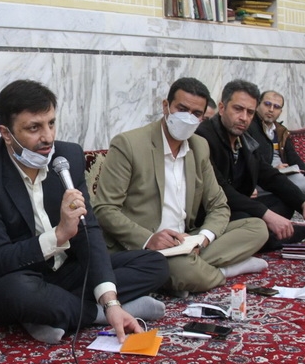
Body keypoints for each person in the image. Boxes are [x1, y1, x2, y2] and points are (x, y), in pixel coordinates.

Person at [0, 80, 170, 344]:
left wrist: (110, 299)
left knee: (155, 263)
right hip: (11, 277)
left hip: (62, 272)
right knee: (21, 292)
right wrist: (58, 236)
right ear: (6, 133)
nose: (48, 137)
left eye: (51, 123)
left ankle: (49, 313)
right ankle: (94, 314)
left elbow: (89, 229)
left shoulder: (67, 157)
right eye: (34, 128)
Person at [94, 77, 269, 295]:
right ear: (166, 106)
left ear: (203, 117)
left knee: (257, 227)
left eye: (196, 113)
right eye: (182, 109)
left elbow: (218, 205)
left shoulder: (199, 146)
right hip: (144, 246)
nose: (188, 117)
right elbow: (104, 209)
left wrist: (202, 239)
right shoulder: (129, 144)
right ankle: (223, 271)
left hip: (186, 240)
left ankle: (191, 271)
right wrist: (149, 239)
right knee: (181, 269)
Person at [195, 79, 305, 250]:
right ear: (222, 108)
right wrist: (266, 214)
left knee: (284, 202)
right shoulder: (203, 137)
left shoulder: (245, 139)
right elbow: (220, 191)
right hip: (213, 213)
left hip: (239, 207)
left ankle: (264, 235)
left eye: (250, 112)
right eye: (238, 109)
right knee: (254, 222)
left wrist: (304, 203)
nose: (244, 118)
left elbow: (269, 175)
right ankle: (267, 238)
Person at [249, 90, 305, 203]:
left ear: (280, 111)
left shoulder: (280, 131)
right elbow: (251, 160)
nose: (271, 109)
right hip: (265, 177)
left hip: (286, 174)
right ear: (258, 104)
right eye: (267, 104)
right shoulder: (250, 127)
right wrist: (273, 170)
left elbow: (293, 157)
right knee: (301, 183)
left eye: (276, 107)